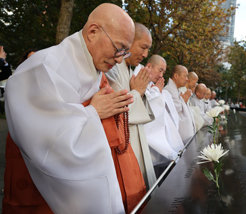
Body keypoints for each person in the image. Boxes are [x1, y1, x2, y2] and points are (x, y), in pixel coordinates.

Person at [4, 3, 143, 214]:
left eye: (124, 52)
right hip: (40, 195)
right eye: (118, 48)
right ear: (93, 32)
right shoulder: (44, 68)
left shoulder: (94, 69)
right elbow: (47, 143)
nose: (119, 59)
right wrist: (93, 113)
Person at [105, 23, 157, 188]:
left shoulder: (128, 69)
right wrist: (138, 92)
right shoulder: (112, 68)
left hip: (135, 138)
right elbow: (115, 112)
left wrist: (139, 92)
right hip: (122, 146)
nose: (145, 54)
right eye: (143, 47)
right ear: (129, 40)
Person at [142, 55, 184, 177]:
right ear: (149, 66)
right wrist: (156, 93)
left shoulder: (153, 86)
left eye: (163, 72)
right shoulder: (139, 80)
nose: (161, 75)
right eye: (160, 70)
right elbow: (149, 111)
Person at [164, 65, 195, 143]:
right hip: (177, 137)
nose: (187, 79)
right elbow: (175, 109)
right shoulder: (168, 90)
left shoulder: (176, 90)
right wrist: (184, 100)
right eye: (185, 76)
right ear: (176, 76)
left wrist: (183, 100)